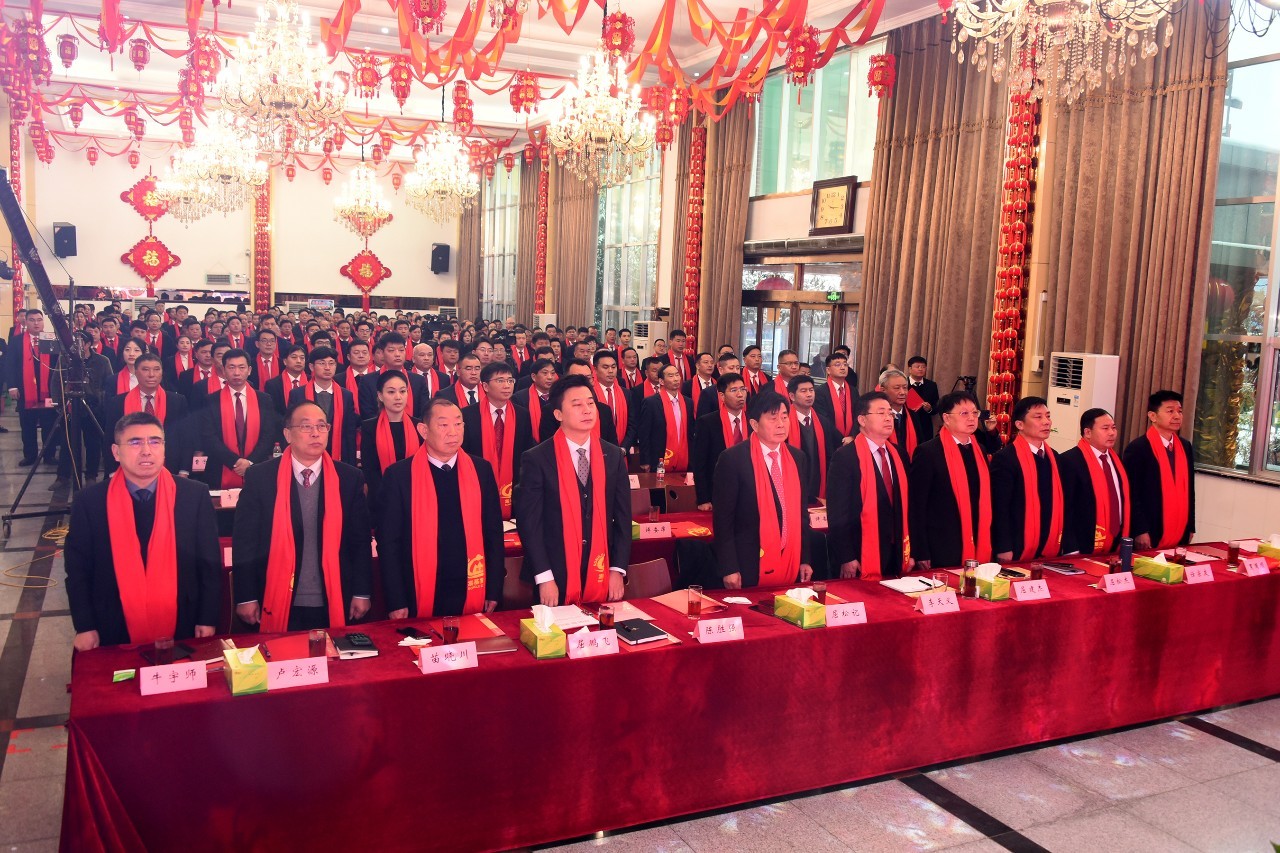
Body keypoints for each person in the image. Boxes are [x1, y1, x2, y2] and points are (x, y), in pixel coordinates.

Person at [65, 413, 221, 650]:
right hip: (112, 623)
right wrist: (84, 625)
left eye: (155, 442)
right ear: (116, 452)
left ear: (164, 449)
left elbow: (209, 564)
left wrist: (207, 618)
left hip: (184, 620)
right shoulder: (90, 502)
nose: (147, 451)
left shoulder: (194, 495)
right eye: (135, 442)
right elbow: (77, 570)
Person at [232, 401, 372, 632]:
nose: (316, 433)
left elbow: (360, 541)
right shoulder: (260, 477)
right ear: (288, 434)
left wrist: (362, 592)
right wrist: (246, 596)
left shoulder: (349, 478)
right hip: (275, 596)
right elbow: (245, 541)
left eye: (322, 426)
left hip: (335, 596)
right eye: (306, 426)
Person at [380, 398, 505, 618]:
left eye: (458, 424)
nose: (453, 432)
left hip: (472, 582)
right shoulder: (399, 476)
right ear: (423, 430)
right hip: (417, 587)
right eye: (443, 425)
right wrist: (396, 599)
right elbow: (389, 542)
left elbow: (493, 533)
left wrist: (494, 588)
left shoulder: (481, 470)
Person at [514, 375, 631, 606]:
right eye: (577, 405)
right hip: (554, 573)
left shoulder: (613, 455)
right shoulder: (537, 458)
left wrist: (617, 569)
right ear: (558, 414)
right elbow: (530, 523)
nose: (587, 410)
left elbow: (623, 517)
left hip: (600, 567)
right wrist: (544, 577)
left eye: (590, 403)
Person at [712, 391, 812, 588]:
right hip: (748, 561)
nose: (781, 424)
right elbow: (723, 520)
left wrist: (804, 558)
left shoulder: (797, 458)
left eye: (784, 417)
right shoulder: (733, 459)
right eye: (773, 418)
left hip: (790, 558)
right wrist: (728, 567)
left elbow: (801, 514)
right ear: (754, 424)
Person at [827, 392, 912, 580]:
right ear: (862, 420)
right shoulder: (845, 457)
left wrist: (910, 550)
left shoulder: (899, 454)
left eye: (890, 413)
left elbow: (907, 506)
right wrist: (846, 556)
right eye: (881, 413)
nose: (888, 418)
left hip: (897, 551)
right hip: (859, 551)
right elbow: (838, 513)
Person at [908, 392, 992, 570]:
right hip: (940, 543)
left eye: (974, 413)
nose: (971, 418)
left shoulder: (980, 450)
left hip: (977, 538)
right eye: (964, 413)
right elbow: (916, 506)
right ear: (946, 418)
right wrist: (921, 550)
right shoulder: (928, 452)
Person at [990, 397, 1064, 561]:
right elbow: (999, 507)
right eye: (1038, 417)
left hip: (1049, 543)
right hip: (1017, 544)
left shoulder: (1054, 457)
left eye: (1048, 416)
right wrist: (1003, 547)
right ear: (1020, 424)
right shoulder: (1006, 458)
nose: (1046, 422)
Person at [197, 349, 281, 490]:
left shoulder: (264, 399)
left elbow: (269, 434)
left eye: (241, 367)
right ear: (223, 370)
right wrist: (235, 462)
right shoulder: (211, 400)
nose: (237, 373)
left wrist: (250, 461)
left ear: (249, 370)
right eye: (231, 367)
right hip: (221, 469)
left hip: (257, 467)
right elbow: (209, 437)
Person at [1123, 390, 1195, 549]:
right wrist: (1139, 530)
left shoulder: (1185, 446)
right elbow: (1131, 493)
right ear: (1153, 416)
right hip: (1150, 529)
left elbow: (1190, 490)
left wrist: (1191, 526)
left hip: (1180, 528)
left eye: (1179, 411)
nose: (1177, 416)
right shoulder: (1138, 448)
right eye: (1170, 411)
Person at [462, 361, 534, 519]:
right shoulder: (468, 415)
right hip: (477, 483)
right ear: (485, 386)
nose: (507, 385)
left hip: (514, 487)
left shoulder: (522, 415)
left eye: (510, 380)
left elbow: (527, 452)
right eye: (500, 380)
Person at [102, 352, 189, 477]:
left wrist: (184, 470)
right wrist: (113, 472)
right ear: (136, 372)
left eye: (156, 369)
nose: (151, 374)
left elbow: (186, 438)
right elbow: (110, 438)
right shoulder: (118, 402)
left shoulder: (177, 401)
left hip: (170, 469)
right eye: (145, 370)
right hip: (128, 470)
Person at [1059, 408, 1131, 555]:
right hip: (1082, 543)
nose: (1111, 433)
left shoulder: (1117, 460)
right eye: (1105, 428)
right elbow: (1065, 508)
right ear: (1087, 432)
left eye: (1113, 428)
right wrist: (1071, 547)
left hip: (1116, 542)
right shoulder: (1069, 460)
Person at [361, 372, 423, 517]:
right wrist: (390, 497)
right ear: (380, 396)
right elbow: (370, 470)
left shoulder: (419, 426)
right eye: (391, 392)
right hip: (382, 500)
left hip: (415, 496)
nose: (398, 397)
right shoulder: (369, 427)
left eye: (402, 391)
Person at [287, 347, 357, 464]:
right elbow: (292, 427)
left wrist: (351, 462)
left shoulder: (346, 395)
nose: (327, 367)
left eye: (331, 363)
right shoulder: (297, 394)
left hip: (338, 454)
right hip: (306, 452)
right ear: (311, 367)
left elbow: (350, 432)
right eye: (322, 363)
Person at [6, 309, 58, 466]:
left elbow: (58, 365)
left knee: (49, 424)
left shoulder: (51, 339)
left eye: (39, 320)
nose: (36, 323)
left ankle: (49, 455)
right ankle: (30, 455)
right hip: (24, 390)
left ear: (43, 321)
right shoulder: (16, 341)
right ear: (25, 322)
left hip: (48, 390)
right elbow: (10, 365)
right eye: (32, 320)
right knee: (27, 424)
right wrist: (12, 386)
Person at [692, 372, 750, 510]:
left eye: (743, 389)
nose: (740, 394)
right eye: (734, 390)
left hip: (749, 492)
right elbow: (699, 464)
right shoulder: (707, 422)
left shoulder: (754, 421)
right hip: (718, 492)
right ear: (722, 396)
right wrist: (703, 499)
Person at [786, 375, 836, 504]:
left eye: (811, 390)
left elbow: (831, 455)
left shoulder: (823, 422)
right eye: (803, 391)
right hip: (791, 486)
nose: (809, 394)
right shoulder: (783, 423)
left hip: (819, 488)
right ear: (792, 396)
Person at [636, 363, 693, 472]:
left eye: (677, 375)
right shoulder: (651, 403)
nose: (676, 379)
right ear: (661, 381)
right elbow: (644, 433)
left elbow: (690, 433)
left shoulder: (688, 402)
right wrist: (645, 460)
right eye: (671, 376)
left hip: (684, 457)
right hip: (658, 457)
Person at [358, 333, 428, 419]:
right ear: (382, 353)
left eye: (401, 350)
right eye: (391, 350)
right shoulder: (368, 381)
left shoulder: (418, 380)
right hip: (379, 426)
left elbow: (424, 413)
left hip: (413, 426)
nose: (397, 354)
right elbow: (367, 415)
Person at [880, 368, 928, 462]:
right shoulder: (876, 417)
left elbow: (921, 445)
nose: (902, 392)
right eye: (897, 388)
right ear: (883, 390)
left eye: (905, 387)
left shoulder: (913, 415)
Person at [813, 351, 858, 442]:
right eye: (837, 365)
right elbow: (824, 420)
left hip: (850, 440)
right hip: (829, 439)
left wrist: (852, 436)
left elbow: (858, 415)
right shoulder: (820, 392)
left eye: (845, 364)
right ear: (828, 370)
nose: (842, 368)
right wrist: (841, 439)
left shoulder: (853, 391)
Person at [592, 350, 629, 446]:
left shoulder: (626, 393)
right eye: (605, 367)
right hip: (596, 445)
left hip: (621, 449)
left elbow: (632, 425)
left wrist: (623, 448)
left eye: (613, 367)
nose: (610, 371)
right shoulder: (590, 394)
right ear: (595, 369)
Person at [264, 344, 308, 414]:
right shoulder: (272, 385)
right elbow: (272, 412)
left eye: (302, 358)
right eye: (294, 357)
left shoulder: (311, 381)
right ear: (285, 361)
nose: (299, 361)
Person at [683, 352, 719, 419]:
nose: (710, 365)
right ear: (697, 365)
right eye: (706, 362)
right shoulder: (687, 385)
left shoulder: (718, 384)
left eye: (712, 362)